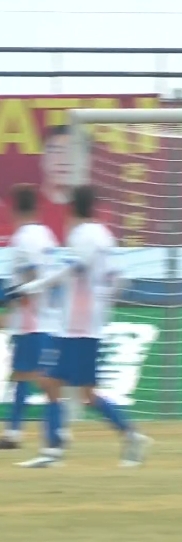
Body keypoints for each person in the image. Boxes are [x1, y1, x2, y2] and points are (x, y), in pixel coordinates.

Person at [9, 185, 151, 468]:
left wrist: (31, 286)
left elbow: (65, 272)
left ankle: (125, 436)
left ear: (72, 207)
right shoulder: (105, 236)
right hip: (87, 326)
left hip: (76, 327)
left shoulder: (82, 236)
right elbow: (120, 280)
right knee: (61, 385)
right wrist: (102, 304)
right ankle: (55, 450)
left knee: (67, 388)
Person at [0, 185, 60, 450]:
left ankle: (21, 433)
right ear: (37, 208)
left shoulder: (23, 239)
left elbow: (31, 277)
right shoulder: (47, 235)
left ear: (14, 210)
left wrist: (12, 296)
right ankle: (19, 431)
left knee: (29, 376)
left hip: (31, 319)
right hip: (50, 317)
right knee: (28, 375)